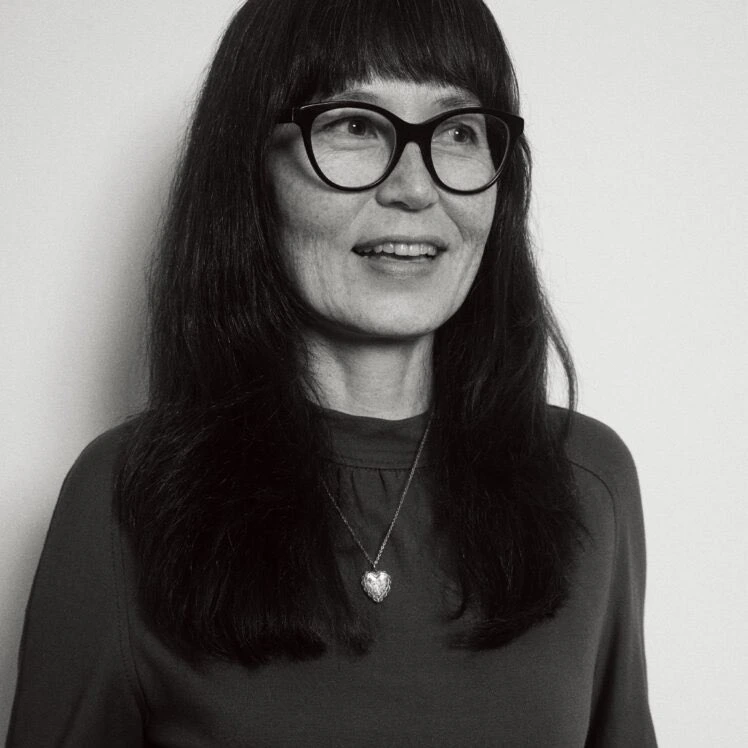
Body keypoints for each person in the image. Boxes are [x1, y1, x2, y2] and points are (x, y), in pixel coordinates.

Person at [7, 0, 657, 744]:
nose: (415, 188)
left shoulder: (588, 481)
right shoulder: (126, 498)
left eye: (457, 131)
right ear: (251, 169)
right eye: (354, 125)